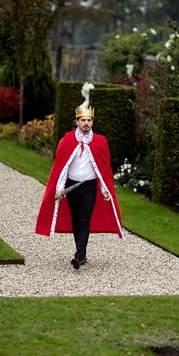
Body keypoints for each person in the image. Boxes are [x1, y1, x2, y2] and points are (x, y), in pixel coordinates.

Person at [35, 105, 124, 269]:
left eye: (89, 120)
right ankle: (80, 252)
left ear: (92, 122)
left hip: (89, 187)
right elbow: (62, 167)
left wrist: (104, 189)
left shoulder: (100, 142)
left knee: (84, 219)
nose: (86, 123)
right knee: (76, 220)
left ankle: (79, 255)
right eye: (83, 120)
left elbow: (103, 168)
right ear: (77, 122)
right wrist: (60, 188)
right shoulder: (67, 140)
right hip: (71, 187)